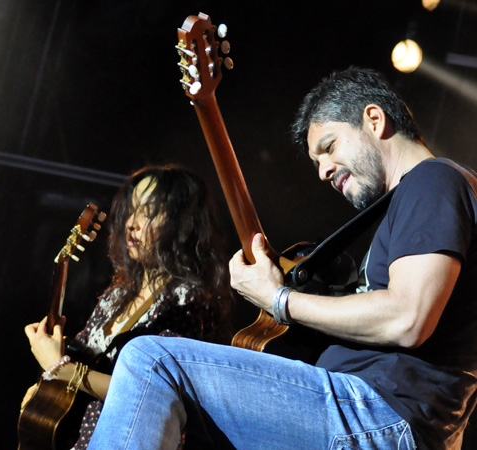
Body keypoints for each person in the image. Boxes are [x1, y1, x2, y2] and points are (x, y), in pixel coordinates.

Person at [84, 67, 477, 450]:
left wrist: (278, 300)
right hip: (372, 416)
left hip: (378, 416)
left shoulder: (433, 180)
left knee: (150, 361)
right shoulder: (412, 200)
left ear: (373, 119)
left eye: (328, 147)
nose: (323, 171)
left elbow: (408, 318)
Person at [22, 165, 232, 449]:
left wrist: (61, 370)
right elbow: (70, 365)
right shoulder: (116, 295)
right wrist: (47, 384)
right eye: (132, 210)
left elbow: (153, 392)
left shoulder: (187, 301)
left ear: (181, 222)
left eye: (148, 212)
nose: (131, 223)